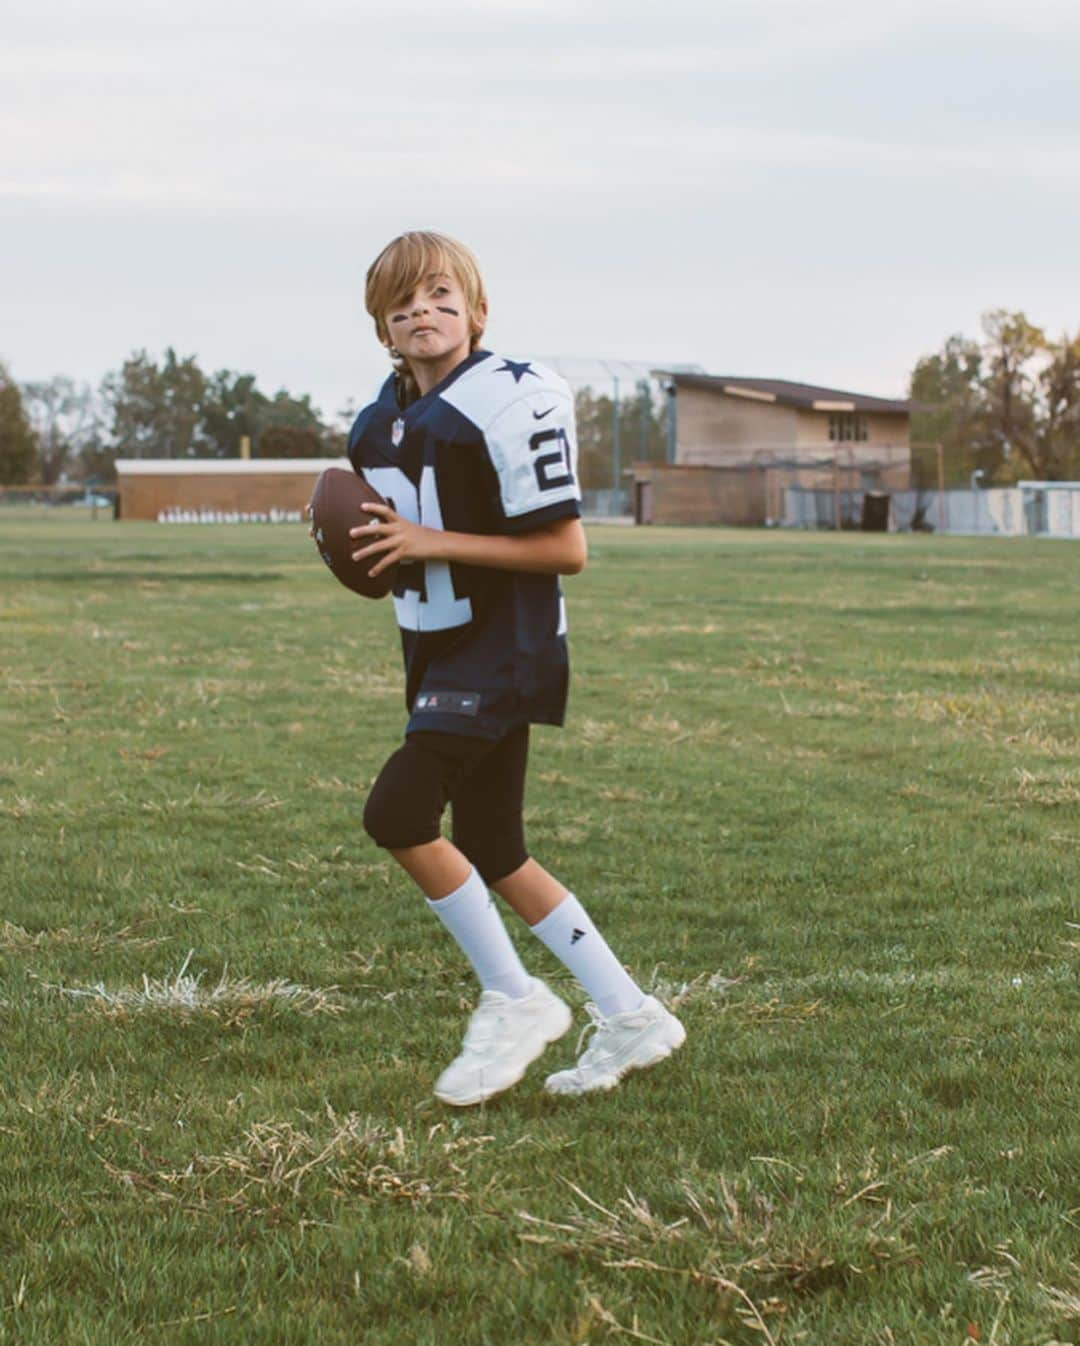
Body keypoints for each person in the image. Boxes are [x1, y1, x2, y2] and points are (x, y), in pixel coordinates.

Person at [343, 229, 684, 1106]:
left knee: (400, 810)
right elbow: (398, 542)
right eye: (403, 304)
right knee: (494, 844)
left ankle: (516, 998)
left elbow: (567, 548)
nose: (423, 312)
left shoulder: (512, 397)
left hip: (506, 643)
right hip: (438, 645)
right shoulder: (377, 422)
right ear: (383, 327)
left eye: (441, 298)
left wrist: (429, 541)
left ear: (478, 313)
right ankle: (630, 1013)